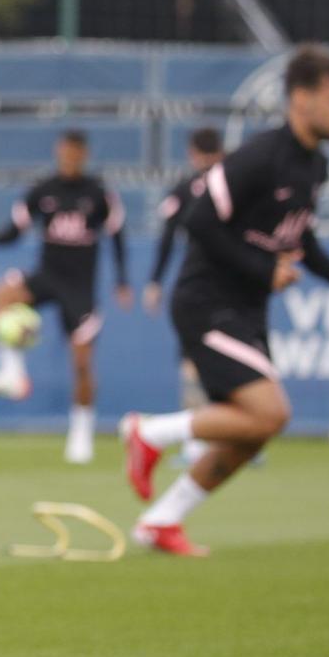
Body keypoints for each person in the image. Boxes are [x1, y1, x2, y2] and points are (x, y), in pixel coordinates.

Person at [122, 45, 329, 556]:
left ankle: (161, 521)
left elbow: (300, 238)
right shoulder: (260, 157)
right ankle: (149, 432)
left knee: (253, 431)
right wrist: (262, 268)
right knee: (272, 413)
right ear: (301, 99)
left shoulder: (313, 167)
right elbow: (199, 220)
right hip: (207, 303)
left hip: (245, 310)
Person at [0, 130, 131, 463]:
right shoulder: (43, 191)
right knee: (2, 293)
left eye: (76, 153)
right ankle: (13, 374)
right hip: (48, 275)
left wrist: (122, 281)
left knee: (82, 363)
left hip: (80, 287)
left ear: (83, 154)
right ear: (59, 152)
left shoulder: (98, 194)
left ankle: (81, 434)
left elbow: (116, 236)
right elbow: (14, 231)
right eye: (65, 153)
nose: (70, 159)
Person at [145, 127, 225, 454]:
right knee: (237, 358)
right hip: (238, 284)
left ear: (193, 152)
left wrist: (155, 282)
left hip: (198, 283)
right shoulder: (237, 182)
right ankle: (241, 437)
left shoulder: (184, 189)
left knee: (194, 358)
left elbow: (167, 236)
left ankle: (195, 442)